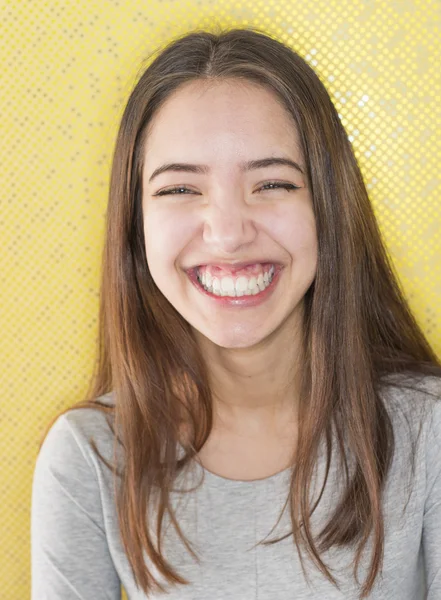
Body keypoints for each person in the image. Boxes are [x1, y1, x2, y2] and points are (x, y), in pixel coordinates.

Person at [31, 26, 441, 600]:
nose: (227, 234)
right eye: (179, 190)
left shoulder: (429, 430)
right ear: (135, 228)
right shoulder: (91, 455)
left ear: (328, 208)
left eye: (272, 182)